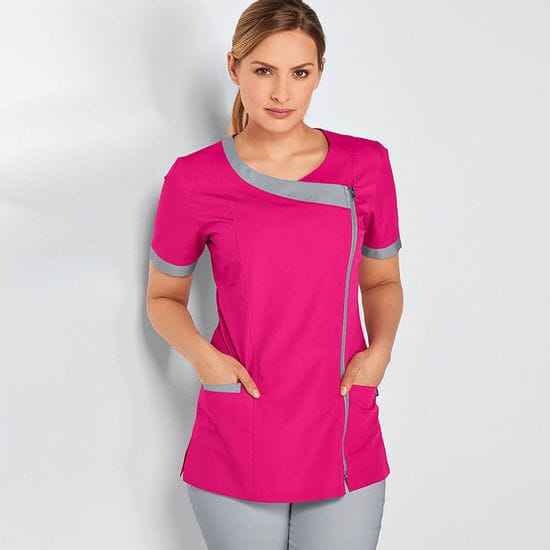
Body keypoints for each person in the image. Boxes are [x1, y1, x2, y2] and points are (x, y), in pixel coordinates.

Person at [145, 1, 404, 548]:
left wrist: (379, 351)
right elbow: (163, 297)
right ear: (234, 67)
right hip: (241, 423)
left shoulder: (366, 165)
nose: (281, 93)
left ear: (320, 73)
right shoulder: (194, 180)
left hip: (341, 419)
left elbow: (381, 280)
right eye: (264, 70)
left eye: (299, 73)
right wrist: (207, 362)